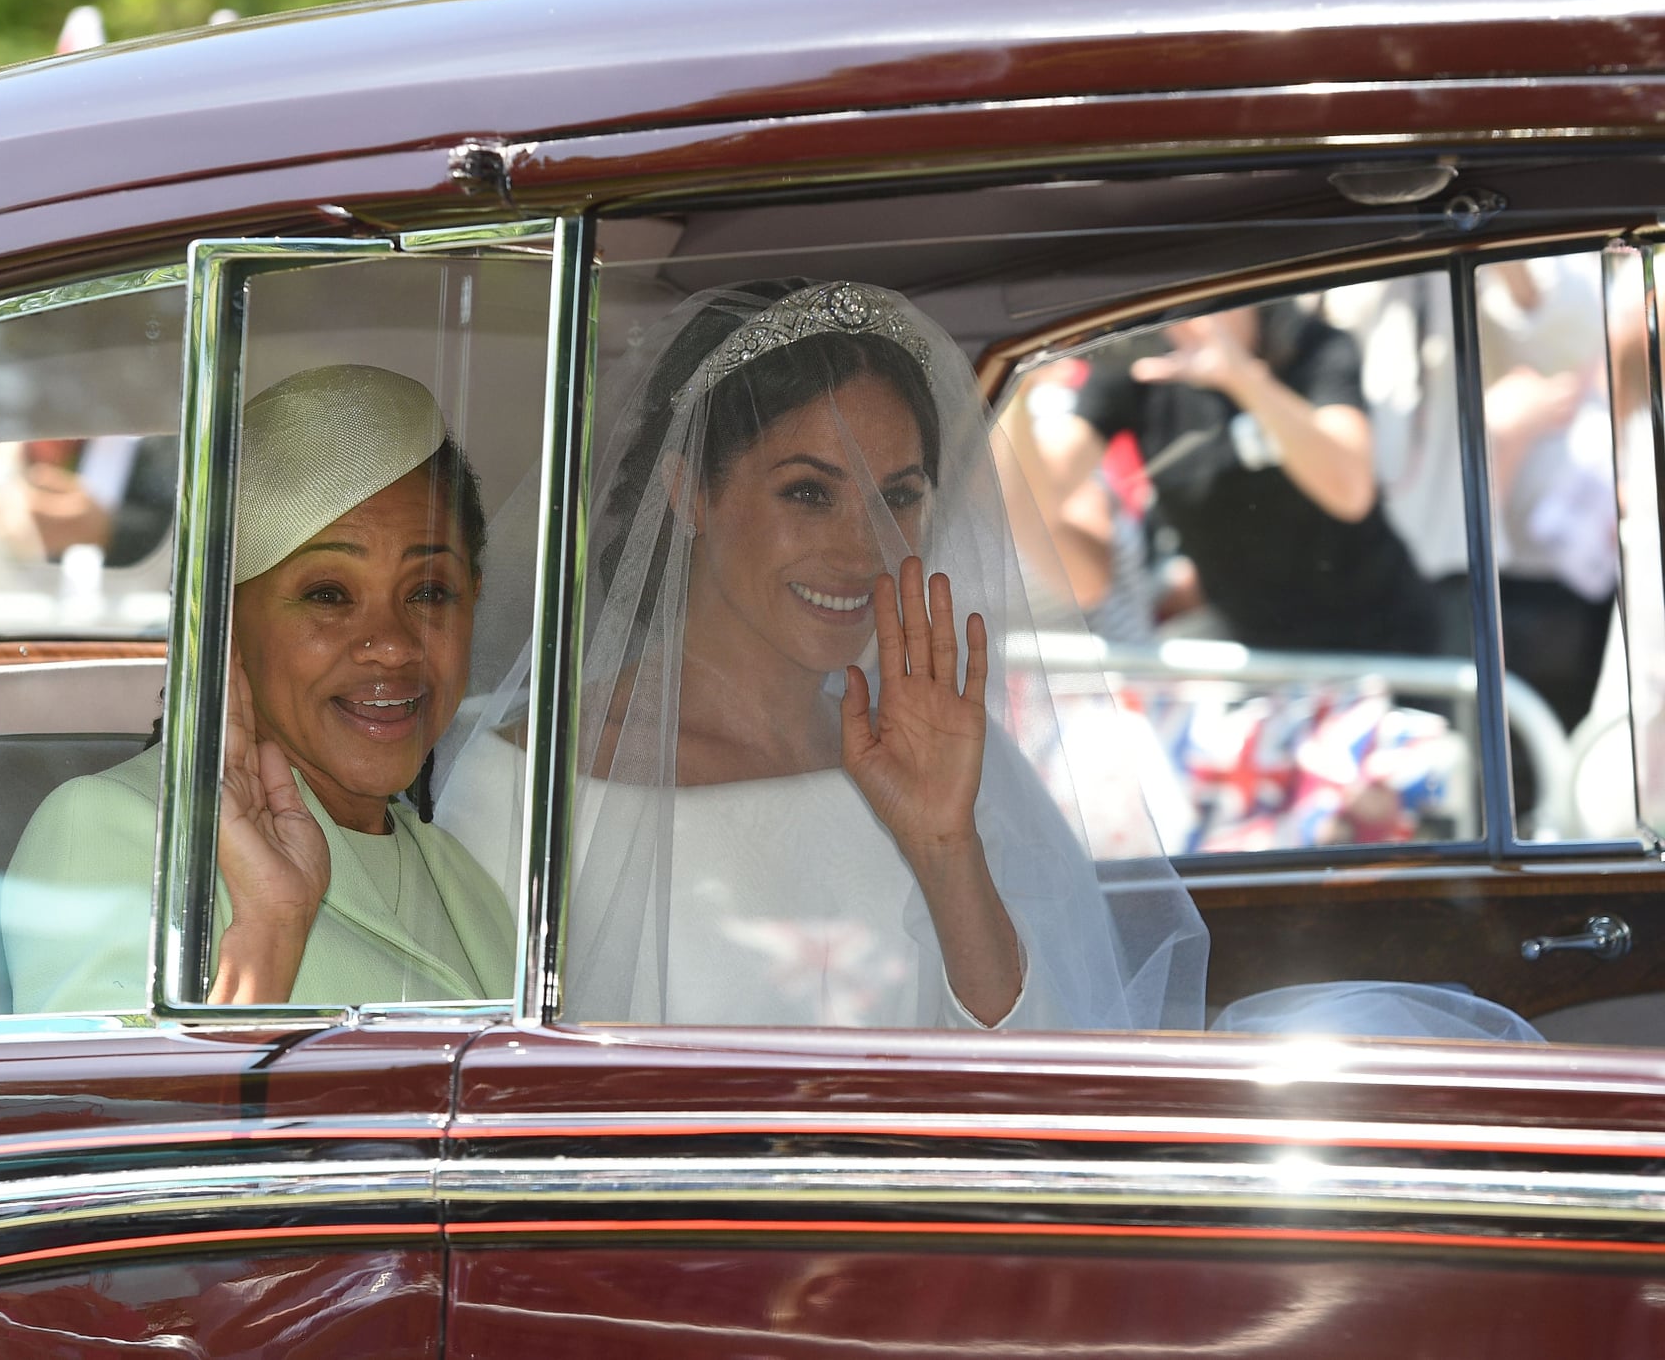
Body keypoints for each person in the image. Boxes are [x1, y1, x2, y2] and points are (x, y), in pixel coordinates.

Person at [437, 279, 1210, 1030]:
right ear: (688, 490)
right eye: (809, 492)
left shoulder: (946, 762)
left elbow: (1042, 1070)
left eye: (899, 496)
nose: (865, 545)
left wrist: (947, 851)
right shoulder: (523, 789)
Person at [3, 364, 515, 1012]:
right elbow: (115, 1111)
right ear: (226, 630)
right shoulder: (120, 830)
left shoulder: (466, 882)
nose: (393, 643)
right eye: (329, 594)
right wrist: (271, 930)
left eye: (430, 591)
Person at [1059, 303, 1442, 655]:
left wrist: (1241, 377)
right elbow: (1051, 485)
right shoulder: (1139, 364)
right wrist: (1016, 395)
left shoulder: (1311, 347)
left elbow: (1351, 492)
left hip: (1383, 641)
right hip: (1260, 656)